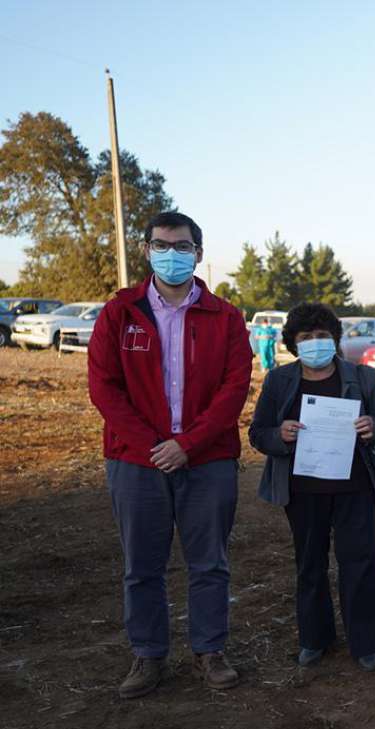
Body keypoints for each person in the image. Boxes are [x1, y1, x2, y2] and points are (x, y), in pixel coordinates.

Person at [88, 211, 252, 698]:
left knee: (210, 563)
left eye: (181, 246)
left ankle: (209, 649)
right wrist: (153, 448)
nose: (171, 254)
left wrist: (188, 444)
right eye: (161, 245)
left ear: (198, 254)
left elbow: (234, 387)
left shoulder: (226, 317)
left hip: (207, 459)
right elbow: (104, 387)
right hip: (136, 462)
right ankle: (148, 654)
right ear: (146, 251)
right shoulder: (120, 313)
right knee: (142, 565)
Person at [249, 303, 375, 671]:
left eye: (322, 336)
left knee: (359, 563)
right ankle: (315, 638)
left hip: (353, 487)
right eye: (306, 337)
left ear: (334, 339)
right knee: (309, 565)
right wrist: (278, 435)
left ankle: (366, 642)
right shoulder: (279, 380)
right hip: (303, 490)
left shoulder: (362, 377)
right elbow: (258, 433)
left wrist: (371, 428)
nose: (316, 343)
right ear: (294, 345)